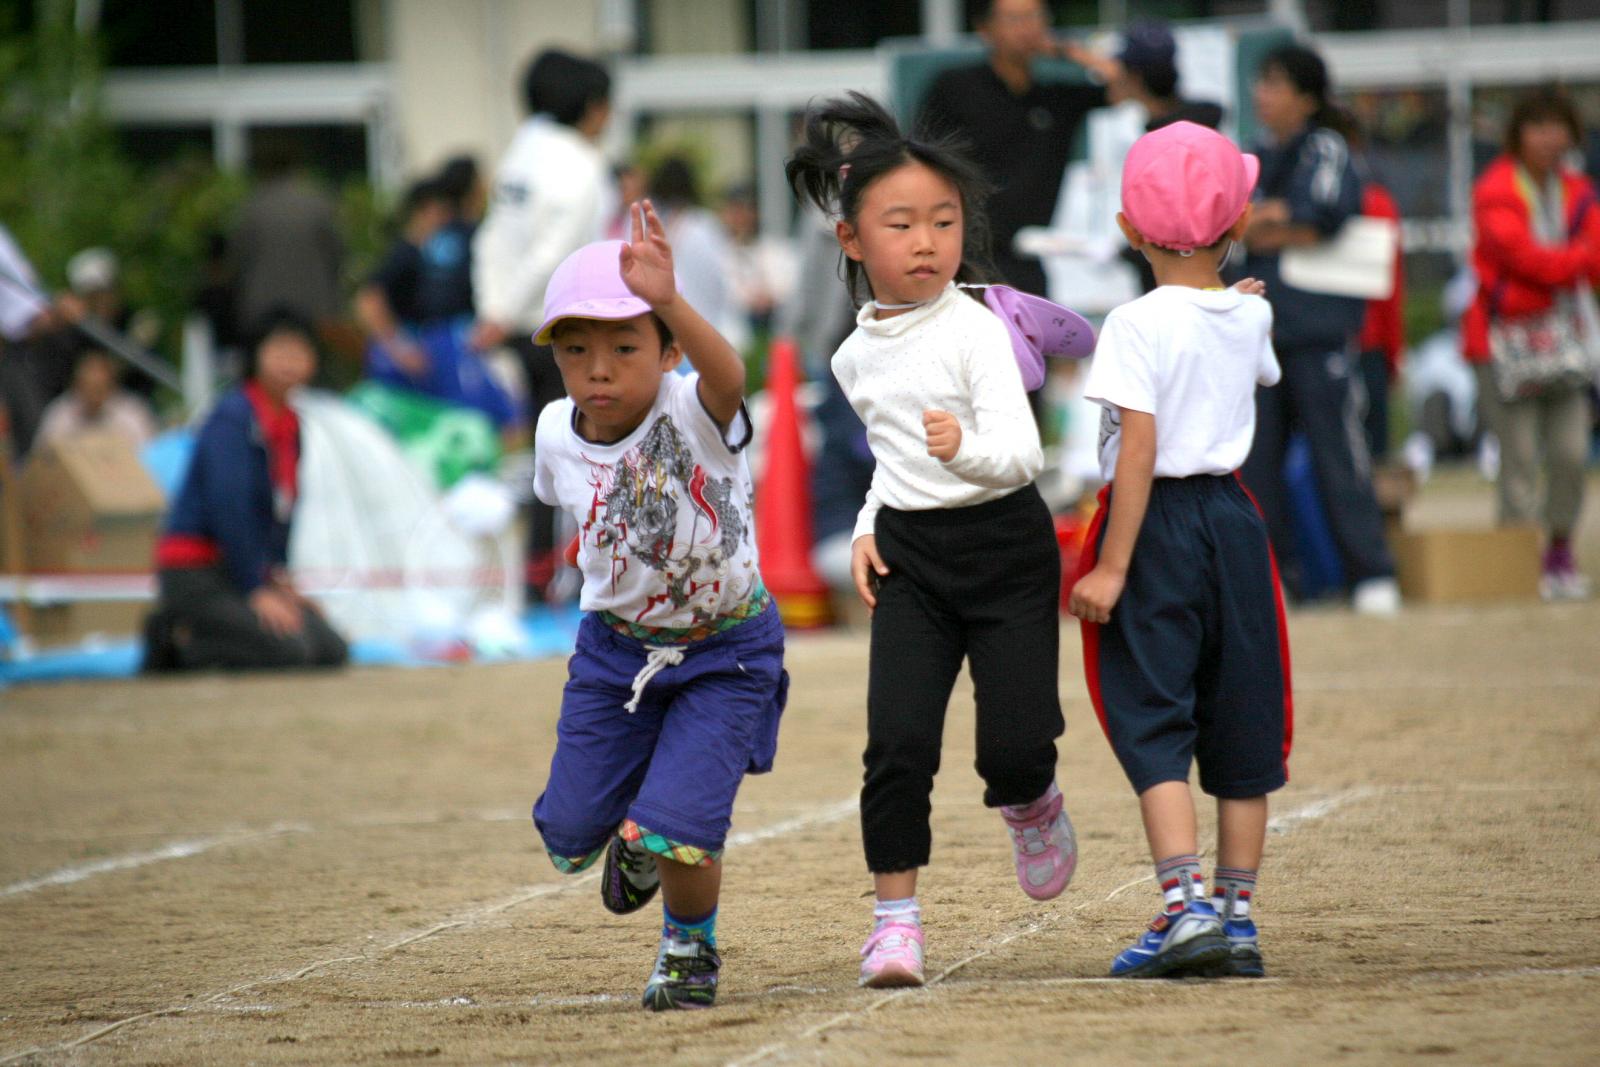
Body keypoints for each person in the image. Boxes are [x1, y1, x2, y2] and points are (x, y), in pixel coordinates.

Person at [786, 93, 1076, 989]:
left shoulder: (979, 328)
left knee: (1013, 747)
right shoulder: (851, 356)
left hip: (1008, 549)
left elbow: (1023, 453)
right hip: (913, 558)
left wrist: (968, 448)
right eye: (901, 223)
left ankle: (1031, 802)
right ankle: (895, 923)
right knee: (898, 743)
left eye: (944, 222)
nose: (926, 242)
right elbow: (889, 459)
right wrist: (872, 524)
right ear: (851, 241)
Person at [527, 204, 787, 1012]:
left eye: (625, 347)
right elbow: (570, 512)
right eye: (576, 351)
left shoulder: (693, 409)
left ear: (668, 352)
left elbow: (732, 377)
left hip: (726, 651)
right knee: (569, 837)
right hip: (613, 655)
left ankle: (688, 949)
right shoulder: (553, 433)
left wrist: (671, 298)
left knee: (679, 822)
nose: (598, 369)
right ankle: (632, 833)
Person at [1069, 121, 1290, 980]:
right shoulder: (1251, 312)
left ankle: (1183, 904)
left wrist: (1113, 563)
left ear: (1128, 228)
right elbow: (1249, 353)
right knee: (1242, 713)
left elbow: (1137, 448)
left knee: (1152, 710)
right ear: (1235, 229)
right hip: (1234, 523)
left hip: (1154, 523)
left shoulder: (1130, 322)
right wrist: (1243, 301)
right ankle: (1236, 917)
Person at [1238, 44, 1400, 613]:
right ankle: (1274, 578)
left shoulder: (1327, 148)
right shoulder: (1252, 155)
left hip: (1320, 332)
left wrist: (1267, 222)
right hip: (1260, 336)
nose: (1263, 94)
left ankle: (1372, 573)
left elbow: (1322, 216)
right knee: (1256, 464)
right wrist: (1276, 219)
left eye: (1275, 83)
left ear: (1306, 96)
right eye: (1261, 82)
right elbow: (1235, 230)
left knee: (1339, 456)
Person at [471, 48, 613, 602]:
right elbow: (555, 252)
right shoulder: (581, 163)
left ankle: (535, 582)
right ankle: (570, 577)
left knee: (538, 455)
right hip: (559, 327)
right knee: (579, 453)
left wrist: (493, 312)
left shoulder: (518, 155)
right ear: (593, 108)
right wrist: (506, 311)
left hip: (510, 325)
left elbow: (490, 240)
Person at [143, 308, 348, 672]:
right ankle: (176, 639)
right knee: (289, 651)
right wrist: (256, 588)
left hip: (246, 572)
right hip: (199, 571)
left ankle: (213, 631)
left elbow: (281, 511)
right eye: (279, 351)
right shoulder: (233, 418)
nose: (290, 362)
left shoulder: (291, 425)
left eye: (299, 352)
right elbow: (230, 508)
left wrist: (280, 583)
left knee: (330, 649)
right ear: (255, 356)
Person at [1465, 89, 1598, 600]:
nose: (1548, 137)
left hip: (1567, 343)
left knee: (1569, 452)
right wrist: (1571, 261)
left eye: (1557, 126)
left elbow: (1590, 256)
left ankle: (1560, 551)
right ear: (1518, 133)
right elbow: (1523, 259)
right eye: (1537, 126)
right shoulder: (1496, 187)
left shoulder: (1578, 189)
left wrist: (1557, 264)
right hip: (1503, 346)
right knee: (1518, 456)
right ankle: (1520, 564)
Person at [917, 0, 1119, 297]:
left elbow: (1126, 85)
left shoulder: (1056, 98)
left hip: (1026, 253)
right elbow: (921, 159)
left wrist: (1070, 53)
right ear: (985, 29)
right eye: (1014, 19)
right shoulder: (956, 87)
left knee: (1034, 337)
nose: (1027, 28)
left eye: (1035, 17)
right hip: (963, 253)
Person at [227, 138, 345, 335]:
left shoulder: (253, 206)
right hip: (314, 304)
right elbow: (337, 252)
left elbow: (237, 257)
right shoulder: (318, 202)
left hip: (263, 305)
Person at [35, 348, 158, 450]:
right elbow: (43, 454)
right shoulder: (61, 413)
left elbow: (147, 458)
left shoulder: (132, 415)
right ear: (76, 385)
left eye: (99, 388)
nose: (92, 395)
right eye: (86, 386)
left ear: (112, 387)